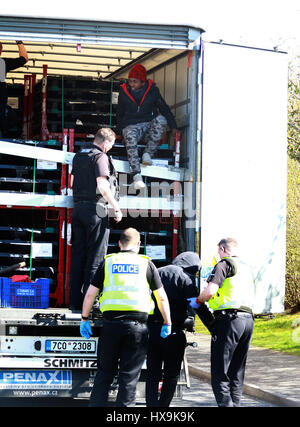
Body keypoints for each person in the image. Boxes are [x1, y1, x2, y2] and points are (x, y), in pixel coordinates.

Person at [80, 228, 172, 407]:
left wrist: (84, 319)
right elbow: (161, 297)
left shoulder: (108, 262)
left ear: (119, 244)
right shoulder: (147, 264)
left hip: (111, 326)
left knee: (104, 374)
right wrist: (167, 322)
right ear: (138, 245)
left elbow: (90, 294)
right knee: (129, 378)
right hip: (137, 328)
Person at [189, 238, 255, 407]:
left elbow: (211, 290)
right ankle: (236, 404)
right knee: (237, 370)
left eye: (218, 251)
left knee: (220, 371)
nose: (218, 254)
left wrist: (198, 300)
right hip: (248, 320)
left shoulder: (225, 264)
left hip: (230, 320)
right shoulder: (247, 268)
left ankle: (226, 405)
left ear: (222, 249)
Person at [69, 127, 122, 311]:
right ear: (105, 143)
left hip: (78, 209)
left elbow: (71, 183)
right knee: (96, 258)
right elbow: (102, 185)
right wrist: (115, 207)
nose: (110, 149)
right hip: (97, 210)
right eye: (111, 145)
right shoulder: (100, 157)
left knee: (78, 256)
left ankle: (74, 302)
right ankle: (90, 303)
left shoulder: (79, 155)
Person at [145, 251, 201, 407]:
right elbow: (194, 305)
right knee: (171, 374)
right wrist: (212, 325)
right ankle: (163, 407)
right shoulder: (186, 278)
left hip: (153, 329)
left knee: (152, 373)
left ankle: (151, 405)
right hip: (175, 331)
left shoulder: (158, 272)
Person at [116, 63, 179, 190]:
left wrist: (174, 127)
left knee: (161, 119)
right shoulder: (123, 92)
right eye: (130, 81)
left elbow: (164, 109)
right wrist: (119, 133)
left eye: (135, 81)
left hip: (148, 126)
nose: (131, 84)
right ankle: (136, 176)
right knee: (129, 133)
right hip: (131, 127)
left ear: (143, 82)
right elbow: (119, 114)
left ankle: (147, 154)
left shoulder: (153, 91)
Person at [0, 41, 28, 137]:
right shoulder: (2, 63)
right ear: (0, 51)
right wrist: (19, 42)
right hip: (0, 107)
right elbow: (24, 59)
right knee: (13, 119)